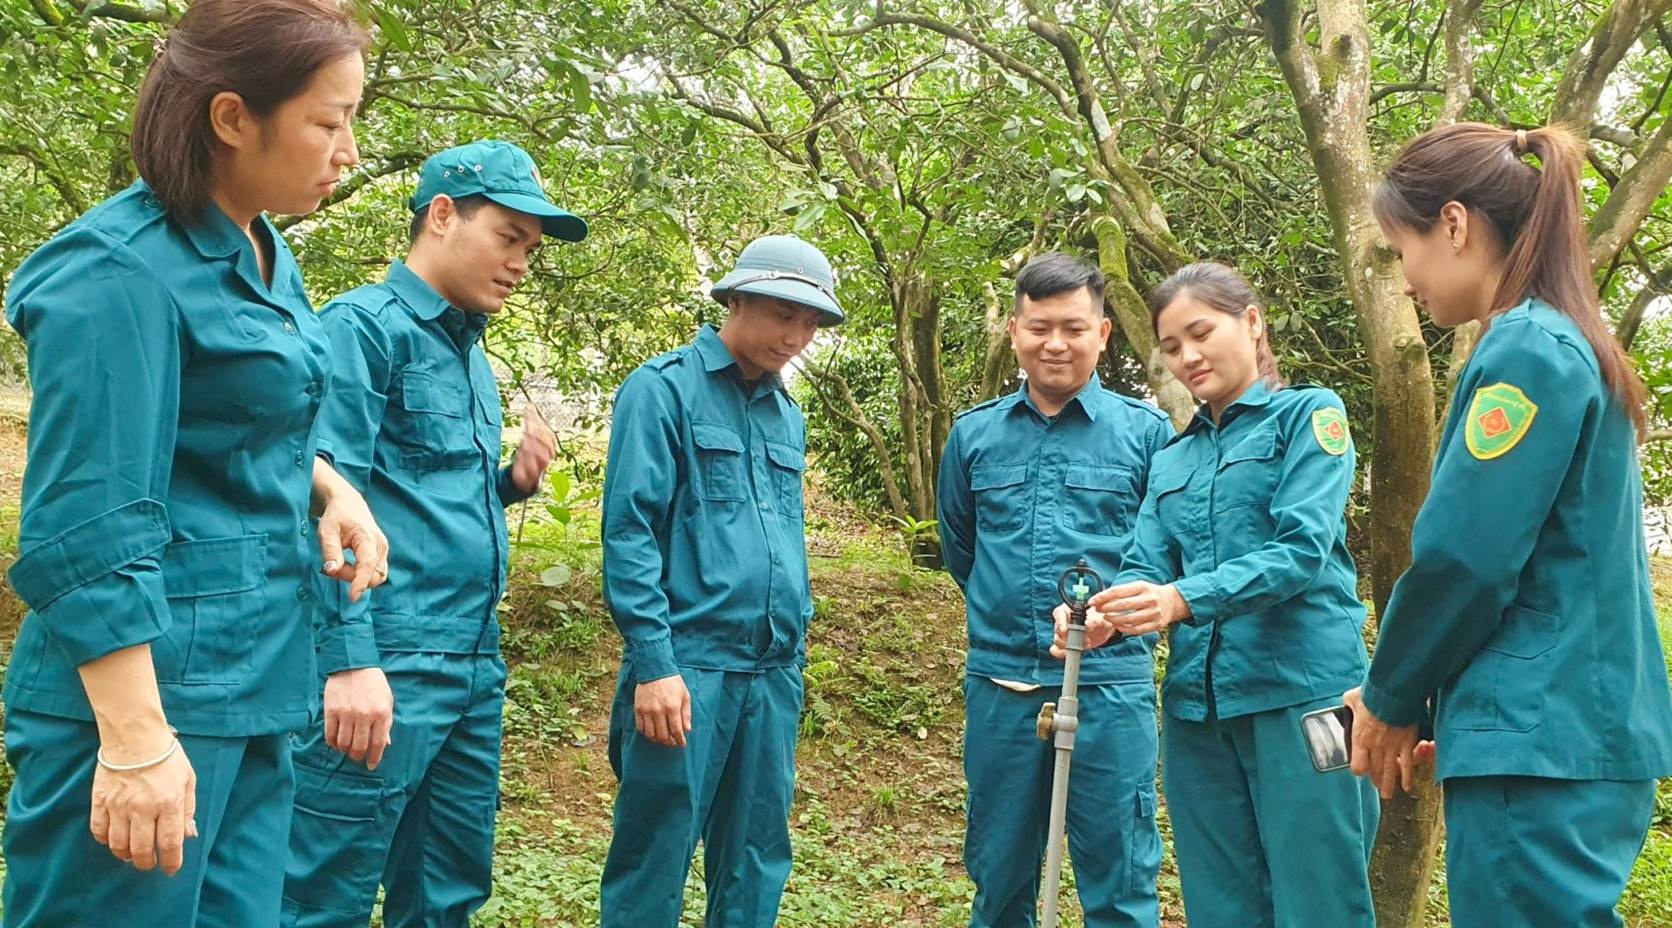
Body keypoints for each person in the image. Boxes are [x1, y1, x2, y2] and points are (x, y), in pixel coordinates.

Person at [0, 2, 387, 924]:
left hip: (252, 689)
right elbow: (85, 519)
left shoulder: (260, 248)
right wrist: (135, 741)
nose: (350, 152)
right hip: (150, 703)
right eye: (329, 124)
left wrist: (328, 485)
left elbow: (233, 423)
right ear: (230, 117)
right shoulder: (116, 272)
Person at [1348, 122, 1672, 928]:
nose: (1408, 281)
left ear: (1453, 224)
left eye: (1402, 251)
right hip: (1556, 728)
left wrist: (1390, 694)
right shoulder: (1566, 342)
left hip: (1538, 738)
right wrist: (1436, 705)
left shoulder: (1526, 348)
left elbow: (1466, 557)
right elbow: (1542, 569)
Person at [280, 140, 587, 926]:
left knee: (448, 890)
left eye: (532, 250)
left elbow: (415, 493)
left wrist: (510, 484)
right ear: (443, 216)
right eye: (509, 237)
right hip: (388, 664)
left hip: (471, 663)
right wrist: (350, 662)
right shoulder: (361, 329)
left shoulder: (472, 353)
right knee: (325, 892)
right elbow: (322, 500)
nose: (522, 262)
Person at [1062, 262, 1379, 927]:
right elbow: (1144, 566)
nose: (1187, 357)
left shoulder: (1309, 416)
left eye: (1200, 333)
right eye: (1171, 347)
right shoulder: (1173, 459)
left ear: (1253, 322)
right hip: (1198, 714)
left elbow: (1300, 552)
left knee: (1320, 898)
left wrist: (1181, 599)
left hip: (1307, 700)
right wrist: (1104, 618)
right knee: (1219, 904)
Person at [597, 234, 844, 927]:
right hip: (687, 671)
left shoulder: (784, 412)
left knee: (757, 857)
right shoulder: (662, 390)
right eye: (781, 314)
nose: (796, 336)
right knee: (656, 853)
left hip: (771, 675)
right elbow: (630, 533)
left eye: (810, 323)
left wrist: (793, 654)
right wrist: (653, 664)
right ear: (734, 299)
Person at [936, 252, 1170, 928]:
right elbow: (964, 551)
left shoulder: (1147, 434)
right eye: (1040, 328)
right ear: (1014, 332)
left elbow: (1164, 555)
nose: (1055, 343)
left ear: (1102, 333)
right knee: (1000, 874)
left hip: (1112, 685)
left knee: (1121, 880)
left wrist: (1114, 621)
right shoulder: (973, 435)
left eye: (1073, 327)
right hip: (1003, 685)